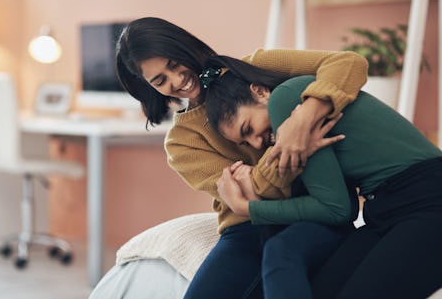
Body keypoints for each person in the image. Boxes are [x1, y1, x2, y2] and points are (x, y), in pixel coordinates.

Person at [116, 16, 368, 299]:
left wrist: (303, 121)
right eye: (160, 80)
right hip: (248, 229)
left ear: (184, 47)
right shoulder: (181, 142)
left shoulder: (254, 67)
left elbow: (348, 64)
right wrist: (290, 148)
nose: (177, 80)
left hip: (319, 211)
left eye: (174, 64)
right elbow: (253, 194)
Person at [203, 55, 442, 299]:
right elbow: (343, 207)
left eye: (248, 128)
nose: (256, 143)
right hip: (383, 210)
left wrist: (249, 208)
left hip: (428, 199)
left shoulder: (285, 100)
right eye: (245, 142)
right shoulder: (291, 116)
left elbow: (334, 209)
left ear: (260, 92)